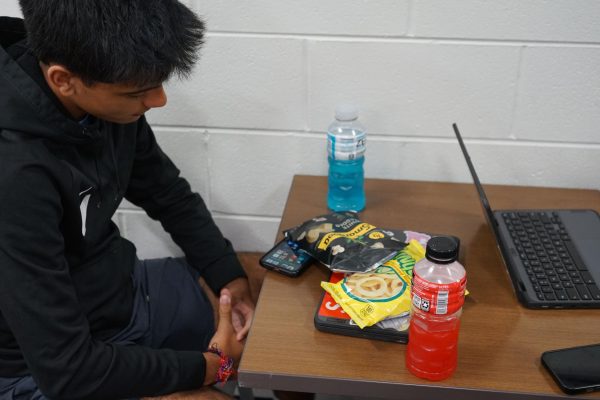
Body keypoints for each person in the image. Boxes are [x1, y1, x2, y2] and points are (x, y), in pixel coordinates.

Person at [0, 1, 255, 398]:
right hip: (42, 366)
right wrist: (213, 367)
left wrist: (228, 276)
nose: (158, 100)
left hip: (124, 293)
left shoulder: (103, 90)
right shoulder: (16, 176)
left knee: (271, 305)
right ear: (63, 79)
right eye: (139, 91)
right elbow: (69, 371)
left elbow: (166, 192)